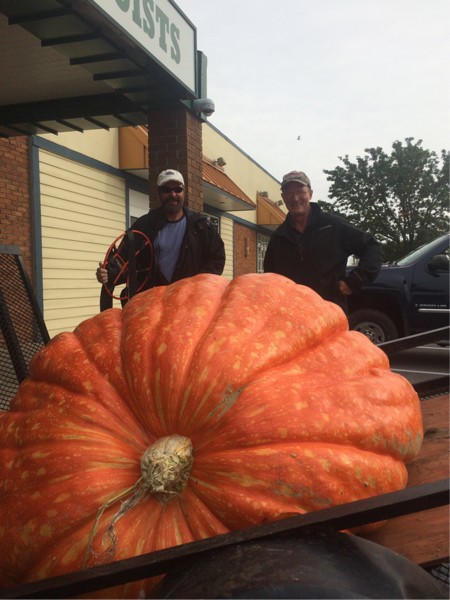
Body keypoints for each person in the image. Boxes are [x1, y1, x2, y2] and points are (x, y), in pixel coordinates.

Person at [96, 169, 225, 305]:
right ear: (159, 193)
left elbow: (217, 259)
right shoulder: (144, 225)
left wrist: (197, 285)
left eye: (178, 189)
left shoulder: (201, 226)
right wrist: (107, 274)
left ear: (184, 192)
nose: (173, 194)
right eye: (166, 190)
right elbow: (123, 263)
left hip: (188, 303)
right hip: (151, 304)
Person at [263, 170, 382, 311]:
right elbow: (270, 277)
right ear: (283, 197)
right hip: (292, 315)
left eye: (300, 191)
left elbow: (372, 246)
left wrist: (355, 281)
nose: (295, 198)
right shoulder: (279, 237)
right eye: (289, 193)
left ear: (310, 193)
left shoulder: (334, 225)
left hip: (330, 312)